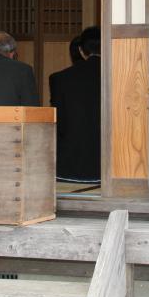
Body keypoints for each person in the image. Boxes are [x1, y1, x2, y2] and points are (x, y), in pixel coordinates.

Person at [48, 26, 102, 183]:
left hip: (68, 166)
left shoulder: (59, 79)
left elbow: (58, 123)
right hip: (110, 168)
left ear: (81, 50)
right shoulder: (118, 76)